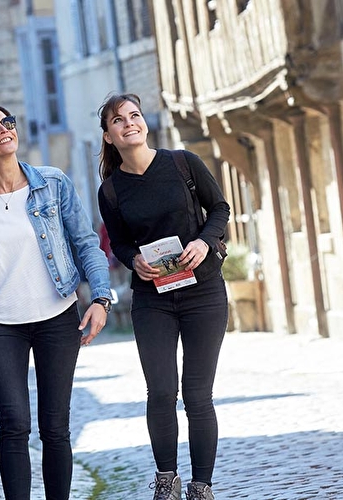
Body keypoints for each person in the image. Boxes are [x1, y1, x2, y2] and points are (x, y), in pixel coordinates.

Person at [0, 105, 112, 500]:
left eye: (8, 123)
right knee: (13, 425)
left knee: (55, 427)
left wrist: (101, 297)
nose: (4, 130)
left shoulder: (53, 183)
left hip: (57, 318)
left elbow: (86, 243)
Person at [96, 94, 230, 500]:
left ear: (144, 123)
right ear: (109, 135)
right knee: (160, 391)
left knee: (197, 394)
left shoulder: (183, 163)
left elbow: (220, 208)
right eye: (118, 120)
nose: (129, 123)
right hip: (153, 300)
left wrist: (205, 242)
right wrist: (133, 260)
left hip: (203, 292)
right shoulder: (111, 191)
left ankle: (201, 486)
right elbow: (119, 243)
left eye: (134, 115)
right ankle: (166, 481)